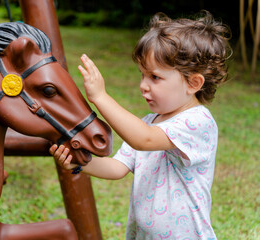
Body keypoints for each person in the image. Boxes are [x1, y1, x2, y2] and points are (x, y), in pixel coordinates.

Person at [50, 11, 231, 239]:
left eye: (154, 77)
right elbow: (117, 168)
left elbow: (143, 139)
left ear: (193, 83)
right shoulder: (149, 122)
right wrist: (78, 163)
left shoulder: (197, 121)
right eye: (142, 75)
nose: (143, 86)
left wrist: (101, 97)